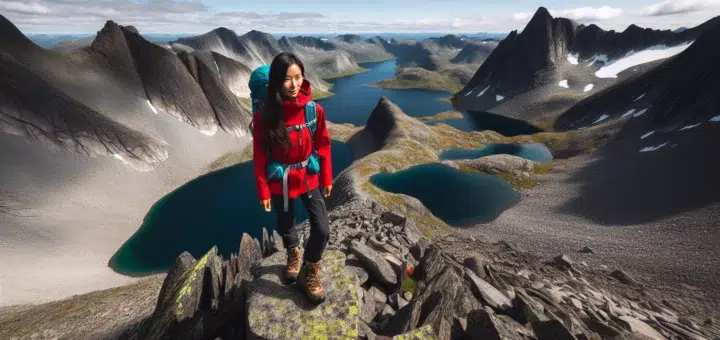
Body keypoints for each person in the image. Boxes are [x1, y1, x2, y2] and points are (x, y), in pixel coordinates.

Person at [251, 52, 333, 304]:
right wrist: (263, 190)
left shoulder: (313, 110)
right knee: (286, 222)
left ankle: (309, 269)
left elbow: (323, 144)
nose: (294, 84)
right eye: (287, 79)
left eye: (298, 77)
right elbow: (260, 155)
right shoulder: (265, 116)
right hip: (282, 179)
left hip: (308, 176)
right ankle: (293, 253)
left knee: (322, 229)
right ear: (276, 82)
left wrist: (327, 177)